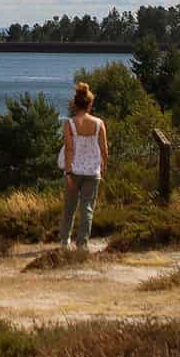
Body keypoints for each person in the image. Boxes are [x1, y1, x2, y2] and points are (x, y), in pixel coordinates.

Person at [58, 80, 108, 251]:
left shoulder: (69, 123)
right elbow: (104, 149)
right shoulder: (99, 123)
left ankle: (65, 242)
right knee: (87, 208)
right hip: (93, 171)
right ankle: (82, 244)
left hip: (75, 170)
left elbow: (69, 149)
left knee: (69, 208)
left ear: (75, 104)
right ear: (90, 104)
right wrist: (103, 166)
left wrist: (68, 172)